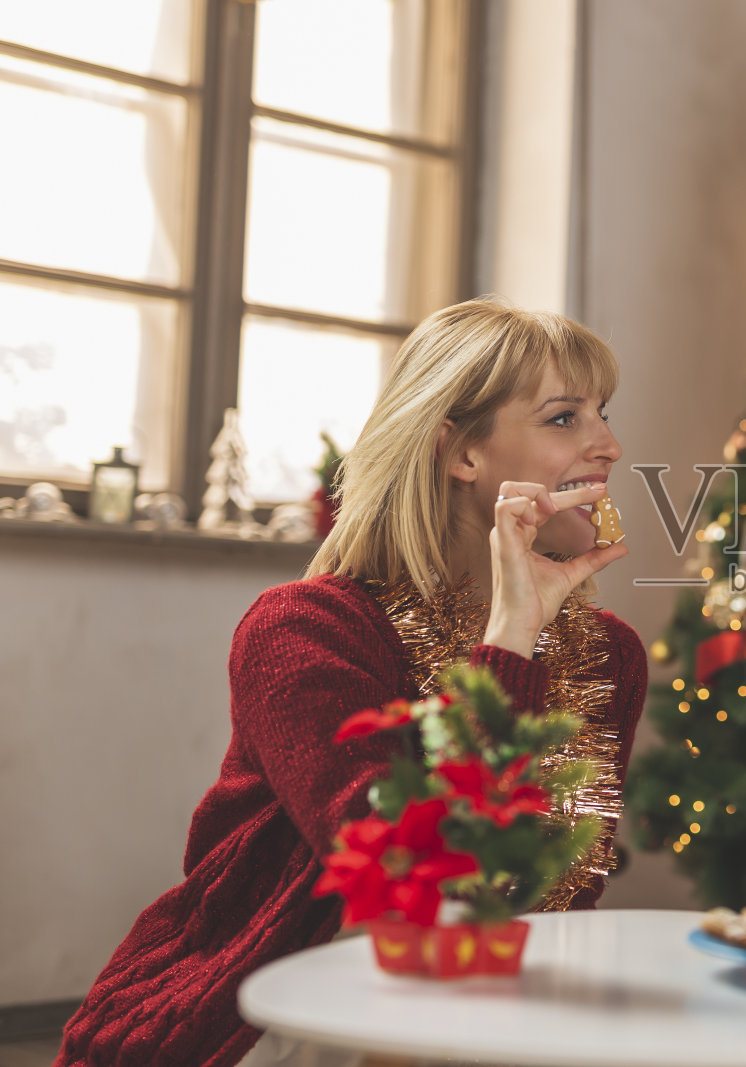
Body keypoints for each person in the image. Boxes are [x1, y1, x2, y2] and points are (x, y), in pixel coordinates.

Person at [57, 299, 646, 1067]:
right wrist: (510, 640)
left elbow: (564, 890)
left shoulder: (608, 655)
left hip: (494, 1011)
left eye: (603, 414)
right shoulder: (303, 629)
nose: (609, 446)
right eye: (564, 417)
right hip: (273, 1017)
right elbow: (410, 876)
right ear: (461, 452)